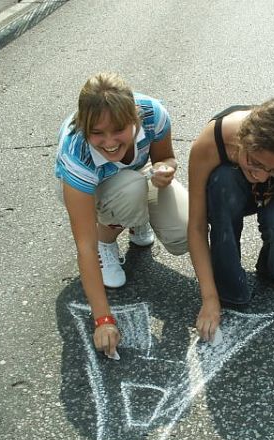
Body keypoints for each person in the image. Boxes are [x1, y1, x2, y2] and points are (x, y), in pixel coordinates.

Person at [55, 72, 188, 358]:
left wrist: (166, 169)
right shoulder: (76, 151)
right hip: (94, 191)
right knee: (128, 191)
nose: (110, 141)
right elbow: (84, 246)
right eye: (98, 133)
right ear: (84, 126)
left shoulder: (154, 114)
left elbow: (165, 157)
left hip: (138, 179)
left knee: (185, 230)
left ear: (135, 119)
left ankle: (135, 218)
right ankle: (110, 238)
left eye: (118, 130)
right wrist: (103, 320)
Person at [188, 99, 274, 343]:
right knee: (222, 184)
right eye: (255, 163)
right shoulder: (213, 141)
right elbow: (197, 227)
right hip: (232, 189)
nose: (261, 176)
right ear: (242, 141)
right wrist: (209, 299)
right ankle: (228, 285)